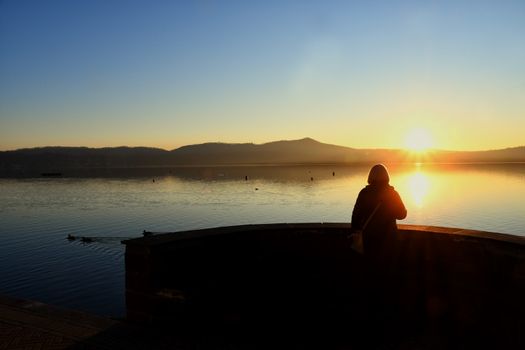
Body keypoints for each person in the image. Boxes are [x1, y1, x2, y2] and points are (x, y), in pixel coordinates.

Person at [351, 164, 407, 256]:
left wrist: (356, 232)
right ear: (386, 176)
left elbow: (356, 216)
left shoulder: (364, 193)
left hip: (368, 238)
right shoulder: (392, 194)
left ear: (370, 176)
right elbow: (402, 215)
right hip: (389, 238)